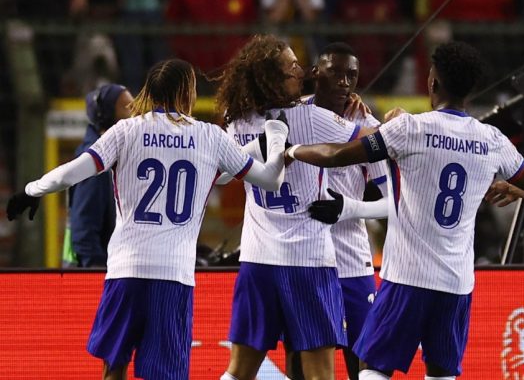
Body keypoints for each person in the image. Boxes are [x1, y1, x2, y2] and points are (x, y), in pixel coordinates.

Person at [6, 58, 289, 380]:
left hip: (127, 268)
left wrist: (32, 190)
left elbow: (74, 171)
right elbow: (270, 179)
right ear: (188, 91)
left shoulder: (125, 130)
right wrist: (276, 137)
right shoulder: (210, 137)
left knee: (114, 366)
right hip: (174, 272)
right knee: (164, 374)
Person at [283, 41, 524, 379]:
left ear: (432, 83)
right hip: (456, 283)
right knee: (441, 373)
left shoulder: (410, 130)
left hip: (407, 277)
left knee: (374, 368)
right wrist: (518, 187)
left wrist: (292, 150)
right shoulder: (493, 141)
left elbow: (334, 154)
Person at [215, 34, 375, 380]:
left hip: (257, 262)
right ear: (272, 79)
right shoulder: (311, 118)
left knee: (238, 371)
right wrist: (390, 122)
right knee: (319, 374)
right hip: (307, 262)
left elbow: (220, 175)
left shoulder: (235, 119)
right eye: (291, 68)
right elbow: (373, 142)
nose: (300, 73)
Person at [285, 42, 387, 380]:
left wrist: (348, 209)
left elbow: (394, 203)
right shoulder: (293, 114)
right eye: (336, 72)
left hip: (351, 264)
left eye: (352, 75)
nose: (344, 82)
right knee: (301, 365)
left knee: (362, 364)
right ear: (315, 72)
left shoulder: (367, 125)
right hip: (304, 261)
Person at [63, 84, 133, 268]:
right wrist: (97, 275)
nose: (136, 113)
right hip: (88, 281)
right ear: (108, 115)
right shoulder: (96, 165)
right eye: (127, 107)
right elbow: (84, 234)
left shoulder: (112, 157)